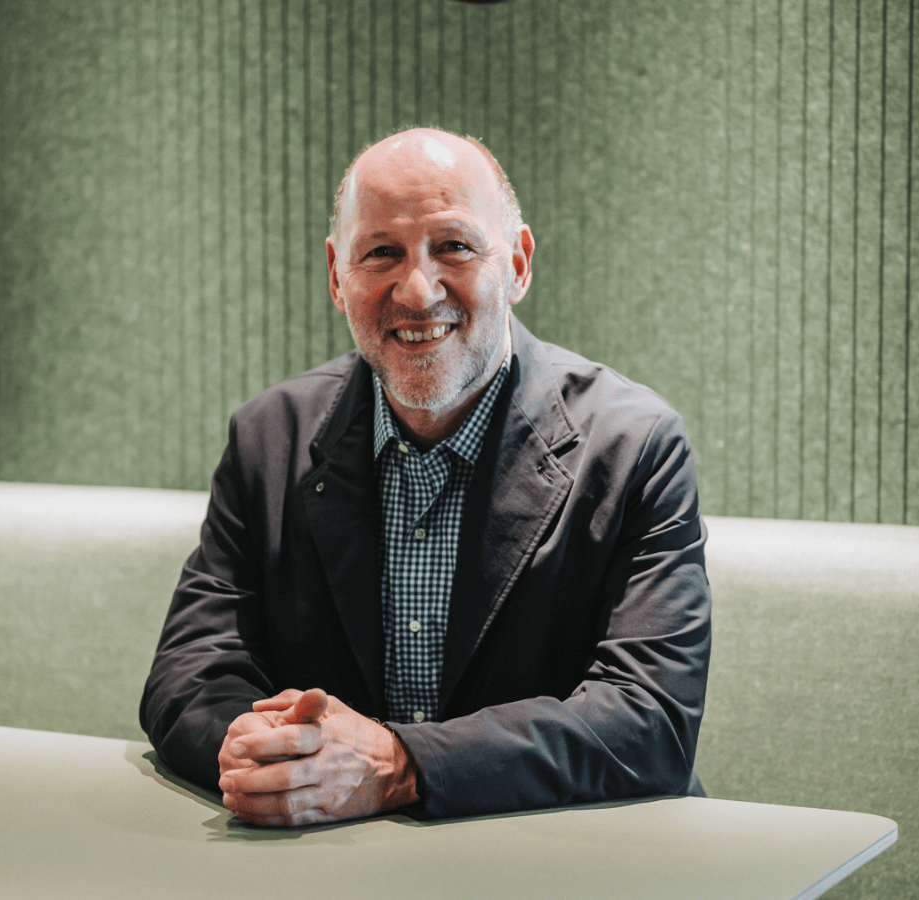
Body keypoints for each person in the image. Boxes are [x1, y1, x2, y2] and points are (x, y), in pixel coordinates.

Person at [140, 127, 711, 827]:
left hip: (571, 857)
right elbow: (191, 669)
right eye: (382, 252)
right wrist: (261, 749)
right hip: (340, 861)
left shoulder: (636, 445)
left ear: (518, 264)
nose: (417, 290)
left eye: (454, 246)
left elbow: (650, 719)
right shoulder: (269, 437)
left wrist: (400, 765)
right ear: (337, 277)